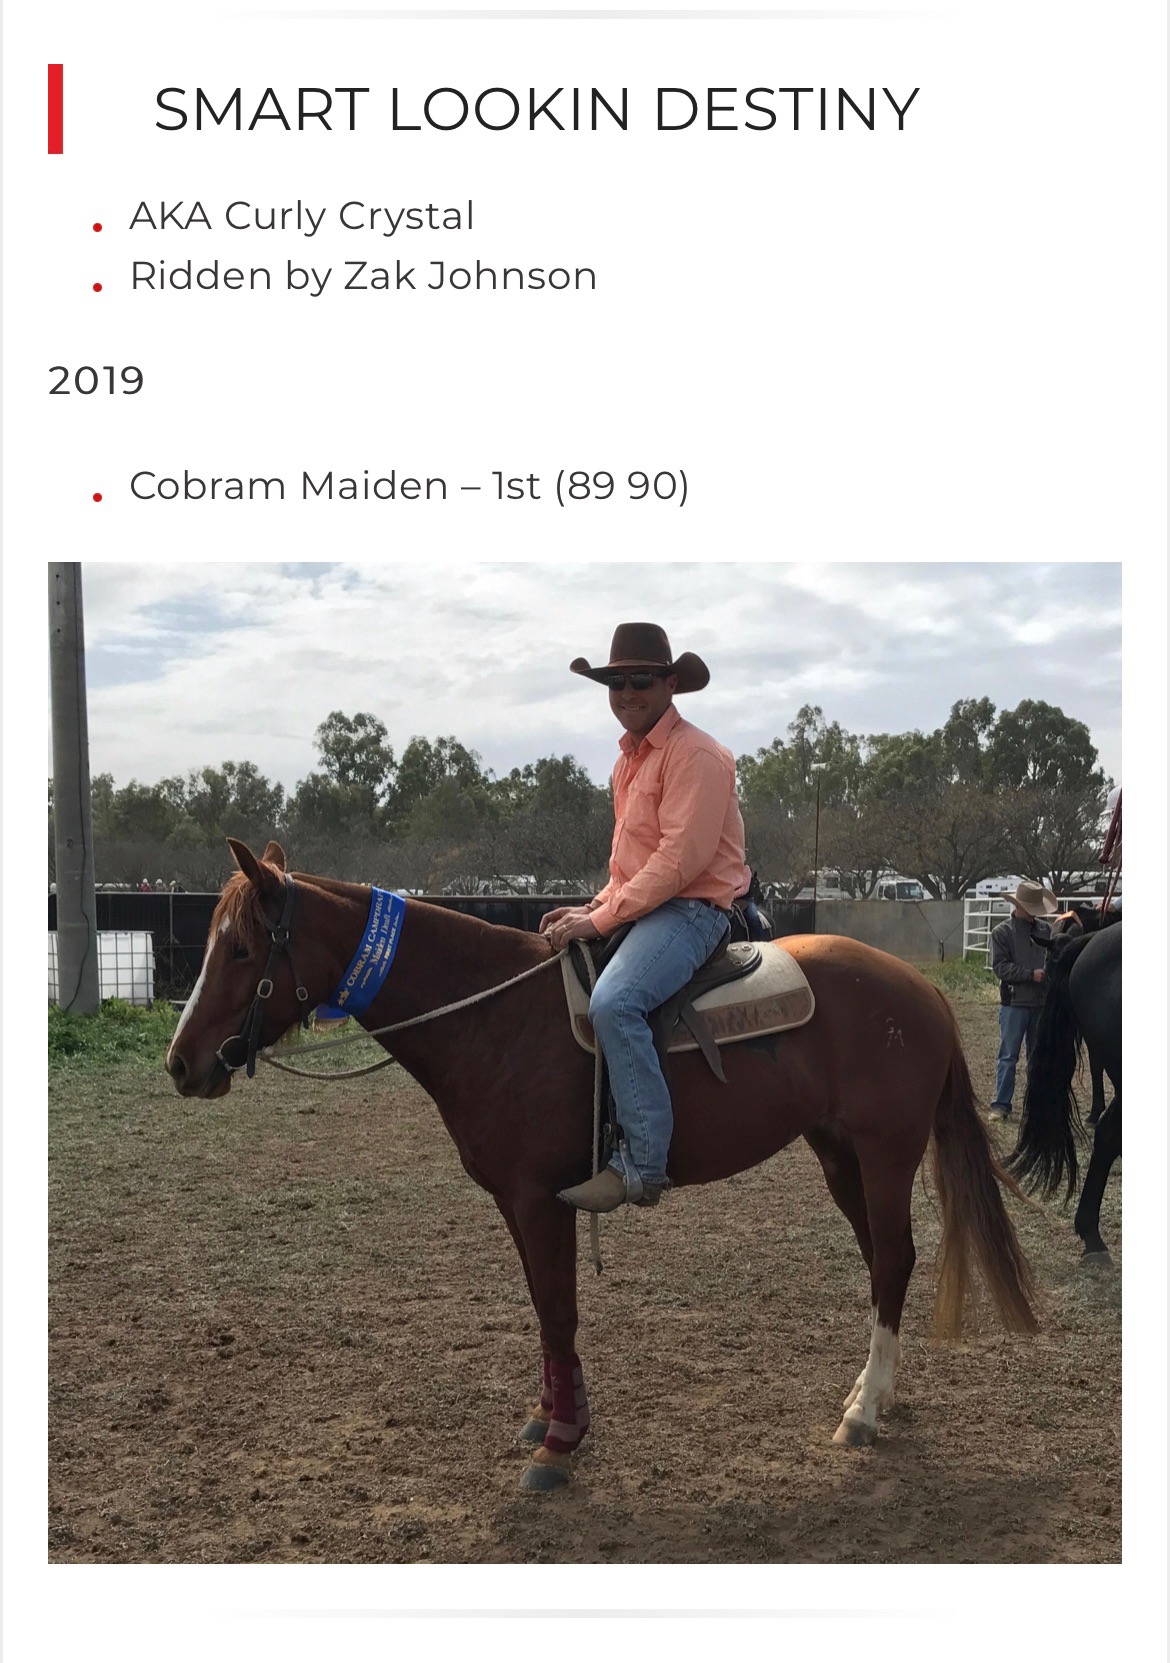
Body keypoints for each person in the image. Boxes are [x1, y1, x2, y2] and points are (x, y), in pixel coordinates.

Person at [540, 622, 747, 1211]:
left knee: (615, 1003)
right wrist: (595, 905)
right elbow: (629, 865)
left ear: (670, 684)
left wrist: (602, 920)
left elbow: (680, 860)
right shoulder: (627, 762)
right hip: (652, 903)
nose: (627, 693)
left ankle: (642, 1162)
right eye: (617, 683)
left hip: (693, 910)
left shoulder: (697, 755)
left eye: (641, 680)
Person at [988, 878, 1059, 1120]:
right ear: (1019, 906)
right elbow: (1000, 967)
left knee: (1035, 1057)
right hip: (1015, 1003)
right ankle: (1001, 1104)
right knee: (1009, 1056)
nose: (1034, 914)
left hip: (1038, 1003)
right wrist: (1030, 975)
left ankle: (1033, 1104)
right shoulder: (1002, 933)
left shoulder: (1045, 931)